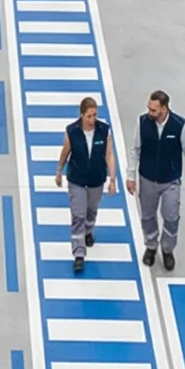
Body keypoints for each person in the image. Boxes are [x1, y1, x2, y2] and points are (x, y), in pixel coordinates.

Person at [134, 90, 185, 272]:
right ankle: (151, 246)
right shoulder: (142, 123)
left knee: (171, 217)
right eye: (149, 108)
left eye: (154, 110)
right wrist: (131, 175)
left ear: (164, 108)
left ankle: (167, 249)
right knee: (147, 216)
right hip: (147, 178)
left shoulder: (180, 126)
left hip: (170, 180)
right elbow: (135, 150)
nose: (150, 113)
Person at [54, 97, 116, 275]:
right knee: (78, 214)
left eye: (95, 115)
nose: (92, 119)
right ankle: (79, 253)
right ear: (82, 115)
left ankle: (88, 231)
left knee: (91, 210)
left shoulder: (104, 131)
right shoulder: (72, 131)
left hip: (96, 178)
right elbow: (65, 152)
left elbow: (109, 154)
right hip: (77, 179)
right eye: (89, 116)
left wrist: (112, 179)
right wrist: (59, 171)